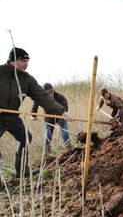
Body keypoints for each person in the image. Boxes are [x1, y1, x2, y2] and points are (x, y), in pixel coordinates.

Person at [0, 47, 72, 178]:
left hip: (12, 117)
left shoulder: (27, 79)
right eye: (23, 61)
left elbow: (42, 97)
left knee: (26, 138)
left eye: (28, 61)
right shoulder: (1, 72)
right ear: (13, 60)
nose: (27, 64)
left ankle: (22, 172)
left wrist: (61, 112)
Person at [31, 83, 72, 153]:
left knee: (65, 134)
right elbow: (35, 103)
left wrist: (59, 123)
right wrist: (33, 115)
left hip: (61, 118)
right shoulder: (41, 97)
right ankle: (47, 153)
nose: (50, 94)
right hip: (49, 118)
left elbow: (65, 110)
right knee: (47, 138)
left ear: (53, 90)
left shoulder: (61, 97)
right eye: (47, 93)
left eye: (51, 92)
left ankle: (70, 150)